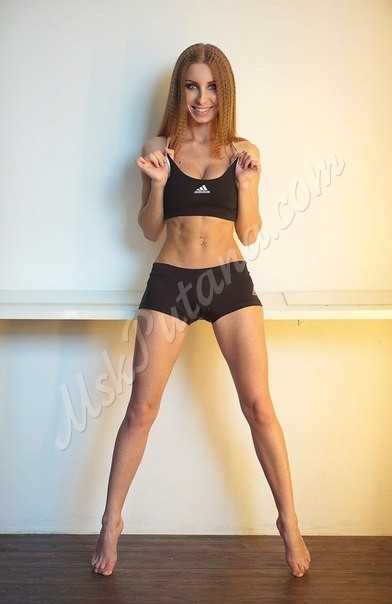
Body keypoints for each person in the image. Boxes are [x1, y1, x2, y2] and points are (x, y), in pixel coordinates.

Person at [91, 42, 311, 578]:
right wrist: (158, 186)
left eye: (212, 87)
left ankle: (289, 521)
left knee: (259, 407)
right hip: (171, 280)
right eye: (192, 85)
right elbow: (149, 229)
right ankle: (111, 522)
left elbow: (250, 232)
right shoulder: (159, 149)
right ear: (179, 90)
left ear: (224, 92)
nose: (202, 97)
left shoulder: (242, 151)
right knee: (141, 410)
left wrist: (249, 184)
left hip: (229, 281)